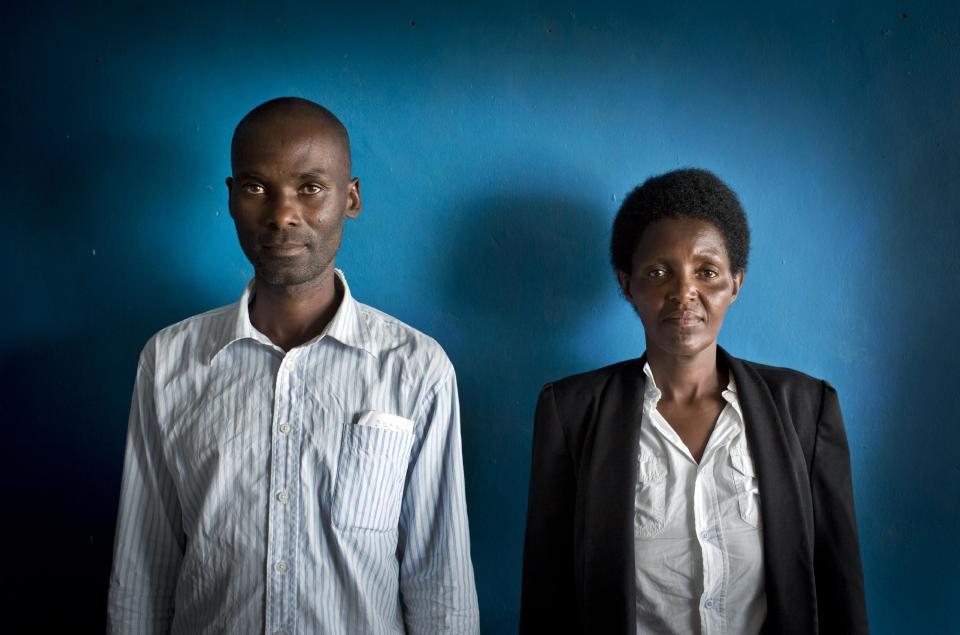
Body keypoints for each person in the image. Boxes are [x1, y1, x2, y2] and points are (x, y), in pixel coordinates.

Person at [107, 97, 480, 634]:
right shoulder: (168, 362)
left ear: (350, 198)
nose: (282, 214)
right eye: (257, 187)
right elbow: (142, 571)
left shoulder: (415, 369)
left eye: (310, 187)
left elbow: (439, 581)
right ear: (233, 199)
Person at [520, 168, 868, 634]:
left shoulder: (806, 410)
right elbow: (548, 596)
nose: (684, 292)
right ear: (627, 284)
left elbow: (838, 589)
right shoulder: (571, 413)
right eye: (659, 272)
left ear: (735, 283)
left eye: (707, 272)